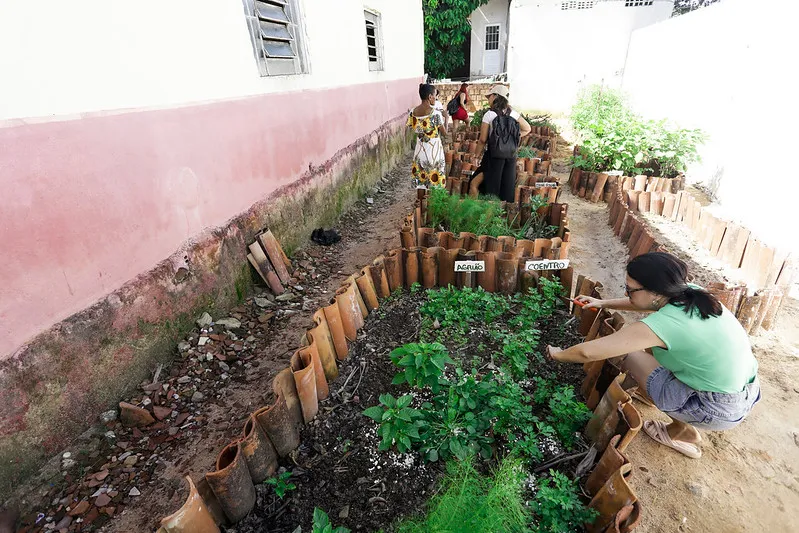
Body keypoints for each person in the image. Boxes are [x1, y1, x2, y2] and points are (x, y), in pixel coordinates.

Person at [546, 252, 760, 459]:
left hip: (715, 408)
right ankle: (659, 394)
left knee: (628, 353)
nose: (627, 294)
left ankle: (679, 430)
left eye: (630, 290)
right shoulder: (688, 292)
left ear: (656, 292)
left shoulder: (666, 324)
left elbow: (587, 352)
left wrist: (557, 354)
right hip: (746, 390)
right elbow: (642, 302)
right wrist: (602, 303)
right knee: (653, 347)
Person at [475, 85, 531, 202]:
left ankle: (490, 212)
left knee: (490, 187)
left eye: (489, 96)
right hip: (510, 157)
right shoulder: (513, 113)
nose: (488, 99)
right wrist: (512, 136)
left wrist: (476, 155)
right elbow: (527, 128)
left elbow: (482, 139)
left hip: (494, 157)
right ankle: (504, 215)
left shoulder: (489, 115)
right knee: (507, 187)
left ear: (495, 96)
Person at [407, 83, 448, 189]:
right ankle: (431, 204)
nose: (436, 97)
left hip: (420, 149)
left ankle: (420, 204)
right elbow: (445, 133)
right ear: (430, 97)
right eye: (435, 95)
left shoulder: (412, 112)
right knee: (435, 183)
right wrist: (446, 119)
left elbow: (411, 128)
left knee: (421, 182)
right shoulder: (435, 114)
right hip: (434, 150)